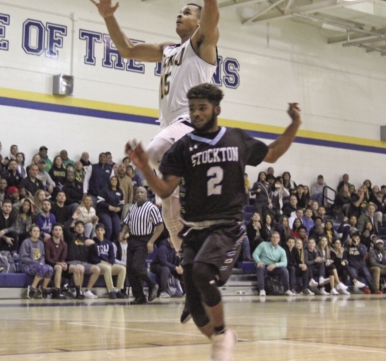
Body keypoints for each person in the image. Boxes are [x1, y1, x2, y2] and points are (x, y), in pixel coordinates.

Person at [126, 83, 301, 360]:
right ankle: (224, 337)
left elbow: (273, 152)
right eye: (192, 108)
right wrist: (145, 167)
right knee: (195, 309)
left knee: (202, 273)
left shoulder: (235, 138)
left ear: (216, 109)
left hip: (226, 226)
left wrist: (294, 124)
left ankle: (220, 333)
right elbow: (164, 190)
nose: (196, 113)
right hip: (193, 230)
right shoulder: (183, 147)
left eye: (202, 108)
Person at [90, 0, 221, 260]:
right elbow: (128, 50)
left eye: (188, 12)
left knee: (152, 151)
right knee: (168, 211)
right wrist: (108, 18)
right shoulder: (167, 50)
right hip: (170, 127)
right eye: (180, 11)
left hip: (190, 126)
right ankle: (188, 261)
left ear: (200, 21)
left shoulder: (203, 45)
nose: (181, 14)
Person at [119, 188, 164, 305]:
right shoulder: (132, 207)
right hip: (132, 239)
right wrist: (123, 233)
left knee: (137, 266)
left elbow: (160, 227)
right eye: (137, 192)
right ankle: (139, 296)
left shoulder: (152, 208)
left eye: (141, 192)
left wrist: (151, 241)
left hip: (145, 239)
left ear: (146, 195)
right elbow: (127, 223)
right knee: (130, 270)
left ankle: (152, 284)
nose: (139, 194)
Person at [66, 220, 102, 299]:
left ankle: (87, 291)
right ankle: (78, 291)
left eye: (81, 227)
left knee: (97, 269)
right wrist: (72, 219)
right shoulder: (71, 237)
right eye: (77, 227)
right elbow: (65, 228)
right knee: (80, 268)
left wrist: (93, 243)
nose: (79, 228)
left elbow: (96, 254)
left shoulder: (87, 240)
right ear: (74, 229)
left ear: (84, 229)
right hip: (72, 261)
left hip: (84, 262)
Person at [90, 223, 127, 298]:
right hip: (98, 264)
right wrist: (101, 261)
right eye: (97, 230)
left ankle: (118, 290)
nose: (99, 232)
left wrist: (110, 262)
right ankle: (111, 290)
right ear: (95, 232)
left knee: (122, 268)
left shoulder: (109, 243)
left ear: (104, 231)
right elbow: (91, 258)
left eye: (101, 230)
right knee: (107, 268)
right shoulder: (93, 242)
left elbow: (112, 256)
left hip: (108, 264)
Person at [19, 224, 54, 299]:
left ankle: (42, 289)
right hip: (26, 265)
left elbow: (42, 256)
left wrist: (41, 262)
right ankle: (32, 288)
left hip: (39, 265)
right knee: (43, 268)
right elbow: (23, 258)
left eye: (38, 231)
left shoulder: (41, 243)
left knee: (50, 269)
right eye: (34, 231)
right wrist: (37, 263)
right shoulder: (26, 242)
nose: (36, 233)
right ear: (30, 233)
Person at [253, 231, 292, 296]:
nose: (275, 239)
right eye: (273, 237)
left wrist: (275, 265)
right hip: (263, 265)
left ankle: (287, 290)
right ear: (271, 238)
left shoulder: (281, 250)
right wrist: (258, 261)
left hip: (273, 267)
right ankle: (262, 290)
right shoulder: (263, 244)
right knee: (260, 267)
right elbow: (255, 254)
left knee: (284, 270)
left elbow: (285, 263)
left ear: (279, 239)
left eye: (277, 237)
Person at [44, 224, 69, 299]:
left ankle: (76, 290)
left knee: (75, 268)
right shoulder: (47, 242)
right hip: (49, 264)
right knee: (58, 267)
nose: (58, 232)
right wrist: (58, 263)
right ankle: (57, 291)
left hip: (59, 264)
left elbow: (63, 257)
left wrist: (63, 263)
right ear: (52, 232)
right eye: (56, 230)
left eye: (60, 230)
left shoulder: (64, 244)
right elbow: (47, 258)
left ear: (62, 232)